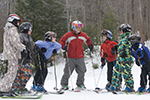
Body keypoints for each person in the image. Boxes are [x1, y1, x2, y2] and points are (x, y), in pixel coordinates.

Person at [60, 20, 93, 91]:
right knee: (67, 72)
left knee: (82, 71)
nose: (79, 29)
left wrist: (90, 45)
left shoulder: (83, 35)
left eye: (80, 28)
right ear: (73, 28)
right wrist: (63, 46)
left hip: (80, 56)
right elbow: (62, 41)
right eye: (77, 28)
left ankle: (80, 84)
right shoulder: (68, 35)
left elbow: (88, 40)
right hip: (71, 57)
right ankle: (64, 85)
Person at [0, 14, 26, 97]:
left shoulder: (9, 28)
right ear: (13, 20)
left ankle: (6, 88)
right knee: (11, 72)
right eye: (17, 22)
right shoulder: (12, 29)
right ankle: (3, 89)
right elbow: (15, 41)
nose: (18, 24)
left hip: (11, 53)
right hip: (12, 54)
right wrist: (23, 49)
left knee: (12, 72)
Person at [109, 23, 134, 92]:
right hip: (119, 58)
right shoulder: (123, 39)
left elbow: (131, 47)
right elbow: (121, 46)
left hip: (126, 59)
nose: (121, 32)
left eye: (121, 30)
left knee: (126, 72)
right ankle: (115, 85)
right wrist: (116, 47)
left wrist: (126, 52)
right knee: (116, 71)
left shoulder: (129, 38)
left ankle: (130, 86)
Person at [11, 22, 35, 94]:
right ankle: (15, 88)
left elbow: (32, 46)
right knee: (19, 74)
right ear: (26, 29)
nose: (31, 31)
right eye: (30, 29)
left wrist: (36, 50)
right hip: (21, 59)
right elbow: (18, 45)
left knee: (28, 73)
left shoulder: (29, 37)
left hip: (28, 59)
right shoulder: (20, 36)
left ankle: (21, 87)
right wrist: (23, 51)